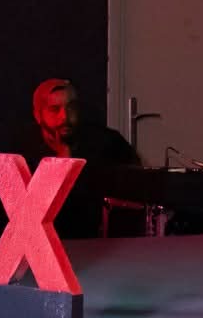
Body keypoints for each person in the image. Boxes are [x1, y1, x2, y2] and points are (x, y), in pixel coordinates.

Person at [16, 78, 140, 237]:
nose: (64, 117)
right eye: (54, 109)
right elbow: (31, 215)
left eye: (71, 108)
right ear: (38, 115)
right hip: (45, 241)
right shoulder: (22, 153)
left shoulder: (107, 142)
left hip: (100, 241)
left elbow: (137, 188)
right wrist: (62, 159)